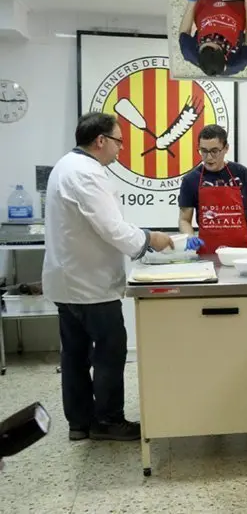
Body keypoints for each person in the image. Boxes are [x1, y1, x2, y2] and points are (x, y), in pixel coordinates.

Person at [42, 112, 174, 442]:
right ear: (101, 140)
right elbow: (111, 227)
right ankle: (110, 421)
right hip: (91, 286)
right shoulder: (87, 173)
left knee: (73, 355)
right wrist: (148, 239)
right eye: (118, 141)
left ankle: (80, 423)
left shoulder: (66, 166)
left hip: (68, 281)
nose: (120, 149)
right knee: (109, 352)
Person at [178, 124, 247, 253]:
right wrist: (190, 236)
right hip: (208, 254)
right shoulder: (191, 180)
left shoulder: (241, 173)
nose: (208, 157)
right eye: (204, 151)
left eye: (214, 151)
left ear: (226, 148)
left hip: (243, 252)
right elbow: (184, 219)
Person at [178, 0, 247, 77]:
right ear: (225, 56)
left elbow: (184, 32)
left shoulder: (189, 52)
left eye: (206, 41)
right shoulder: (237, 62)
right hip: (236, 5)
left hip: (206, 3)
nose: (210, 40)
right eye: (216, 42)